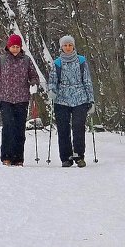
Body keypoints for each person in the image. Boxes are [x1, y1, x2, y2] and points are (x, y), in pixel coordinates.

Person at [0, 33, 40, 166]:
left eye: (17, 46)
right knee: (8, 127)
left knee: (19, 129)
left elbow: (34, 76)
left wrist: (34, 84)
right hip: (5, 98)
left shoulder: (27, 60)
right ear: (8, 46)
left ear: (21, 47)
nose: (15, 49)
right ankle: (6, 156)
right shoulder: (1, 60)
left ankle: (18, 157)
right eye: (13, 46)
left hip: (22, 99)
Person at [48, 34, 95, 167]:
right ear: (61, 47)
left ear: (73, 46)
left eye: (70, 45)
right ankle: (66, 157)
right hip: (61, 99)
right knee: (63, 129)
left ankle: (79, 155)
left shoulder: (81, 61)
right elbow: (52, 79)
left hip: (80, 98)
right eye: (65, 45)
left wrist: (91, 100)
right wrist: (51, 90)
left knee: (78, 127)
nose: (68, 48)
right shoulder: (57, 62)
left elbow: (87, 80)